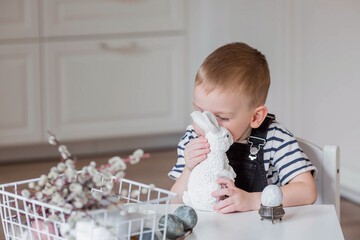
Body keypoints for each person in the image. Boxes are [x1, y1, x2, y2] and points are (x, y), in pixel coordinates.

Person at [168, 42, 317, 213]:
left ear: (255, 117)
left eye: (222, 117)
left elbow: (307, 191)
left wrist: (253, 200)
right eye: (200, 112)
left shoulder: (275, 137)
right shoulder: (192, 138)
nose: (209, 125)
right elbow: (175, 202)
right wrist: (188, 169)